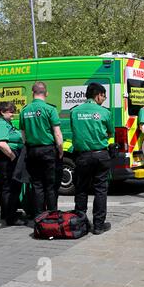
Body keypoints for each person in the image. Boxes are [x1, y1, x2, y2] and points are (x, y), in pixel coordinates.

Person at [70, 82, 114, 235]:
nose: (104, 99)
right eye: (104, 96)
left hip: (82, 156)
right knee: (100, 190)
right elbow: (110, 132)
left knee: (81, 189)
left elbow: (75, 131)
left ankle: (80, 223)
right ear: (98, 95)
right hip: (101, 155)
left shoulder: (74, 112)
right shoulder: (105, 112)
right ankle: (99, 226)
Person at [20, 81, 63, 217]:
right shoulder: (50, 109)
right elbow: (57, 133)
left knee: (37, 185)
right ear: (46, 93)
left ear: (32, 93)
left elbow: (23, 135)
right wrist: (60, 150)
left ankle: (39, 217)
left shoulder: (24, 110)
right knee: (50, 186)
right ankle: (52, 216)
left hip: (32, 151)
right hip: (48, 151)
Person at [0, 102, 26, 226]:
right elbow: (1, 143)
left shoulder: (4, 123)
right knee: (10, 187)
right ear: (2, 112)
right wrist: (12, 156)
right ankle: (11, 217)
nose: (13, 114)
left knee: (6, 186)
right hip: (5, 159)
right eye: (11, 112)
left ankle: (6, 212)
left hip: (5, 158)